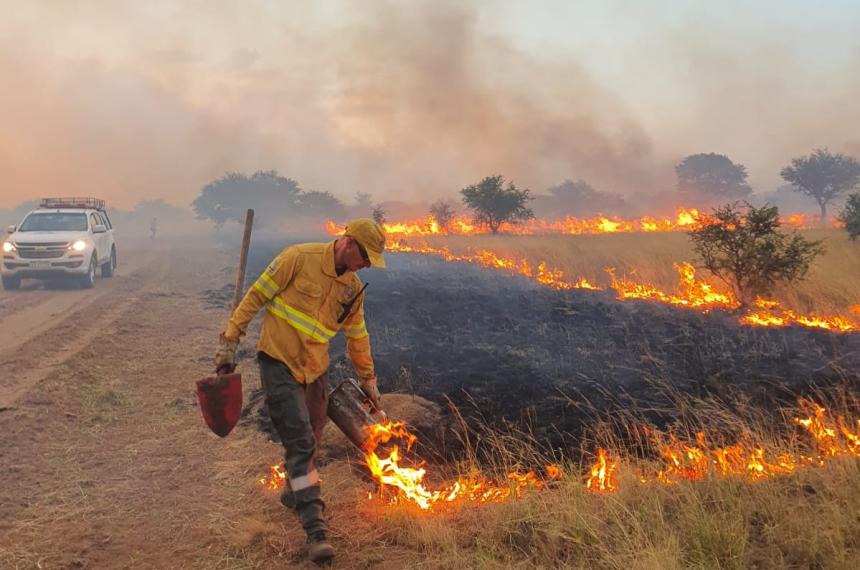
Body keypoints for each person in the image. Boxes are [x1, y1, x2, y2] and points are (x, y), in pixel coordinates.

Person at [214, 218, 385, 564]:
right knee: (302, 442)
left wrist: (369, 380)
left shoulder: (352, 289)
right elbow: (254, 297)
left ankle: (294, 490)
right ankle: (316, 531)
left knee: (312, 440)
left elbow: (357, 337)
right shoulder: (298, 257)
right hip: (278, 361)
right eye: (365, 257)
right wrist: (229, 343)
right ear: (349, 243)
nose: (367, 266)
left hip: (314, 369)